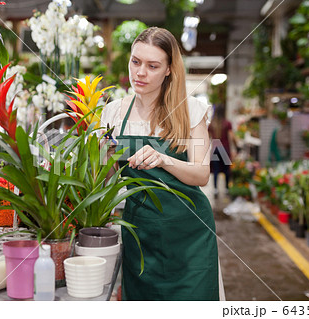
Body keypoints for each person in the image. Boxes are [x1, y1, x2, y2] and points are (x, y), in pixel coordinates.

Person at [101, 27, 224, 300]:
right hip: (140, 235)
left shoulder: (190, 110)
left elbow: (202, 174)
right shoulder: (112, 113)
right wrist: (103, 156)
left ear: (169, 69)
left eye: (152, 65)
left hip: (189, 235)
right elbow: (108, 181)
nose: (140, 72)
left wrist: (164, 158)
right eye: (136, 62)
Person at [208, 104, 235, 197]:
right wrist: (236, 146)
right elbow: (231, 136)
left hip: (215, 149)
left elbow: (208, 137)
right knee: (226, 169)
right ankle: (226, 188)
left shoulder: (212, 124)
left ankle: (215, 189)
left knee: (216, 170)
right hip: (225, 149)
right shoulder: (227, 123)